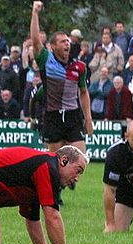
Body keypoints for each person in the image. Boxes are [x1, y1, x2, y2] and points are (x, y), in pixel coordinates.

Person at [30, 1, 93, 153]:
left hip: (73, 116)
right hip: (53, 117)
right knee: (56, 166)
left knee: (79, 160)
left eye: (68, 41)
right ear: (53, 46)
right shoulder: (46, 59)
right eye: (62, 41)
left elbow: (83, 93)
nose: (67, 44)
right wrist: (35, 13)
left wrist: (88, 118)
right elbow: (36, 41)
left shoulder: (80, 67)